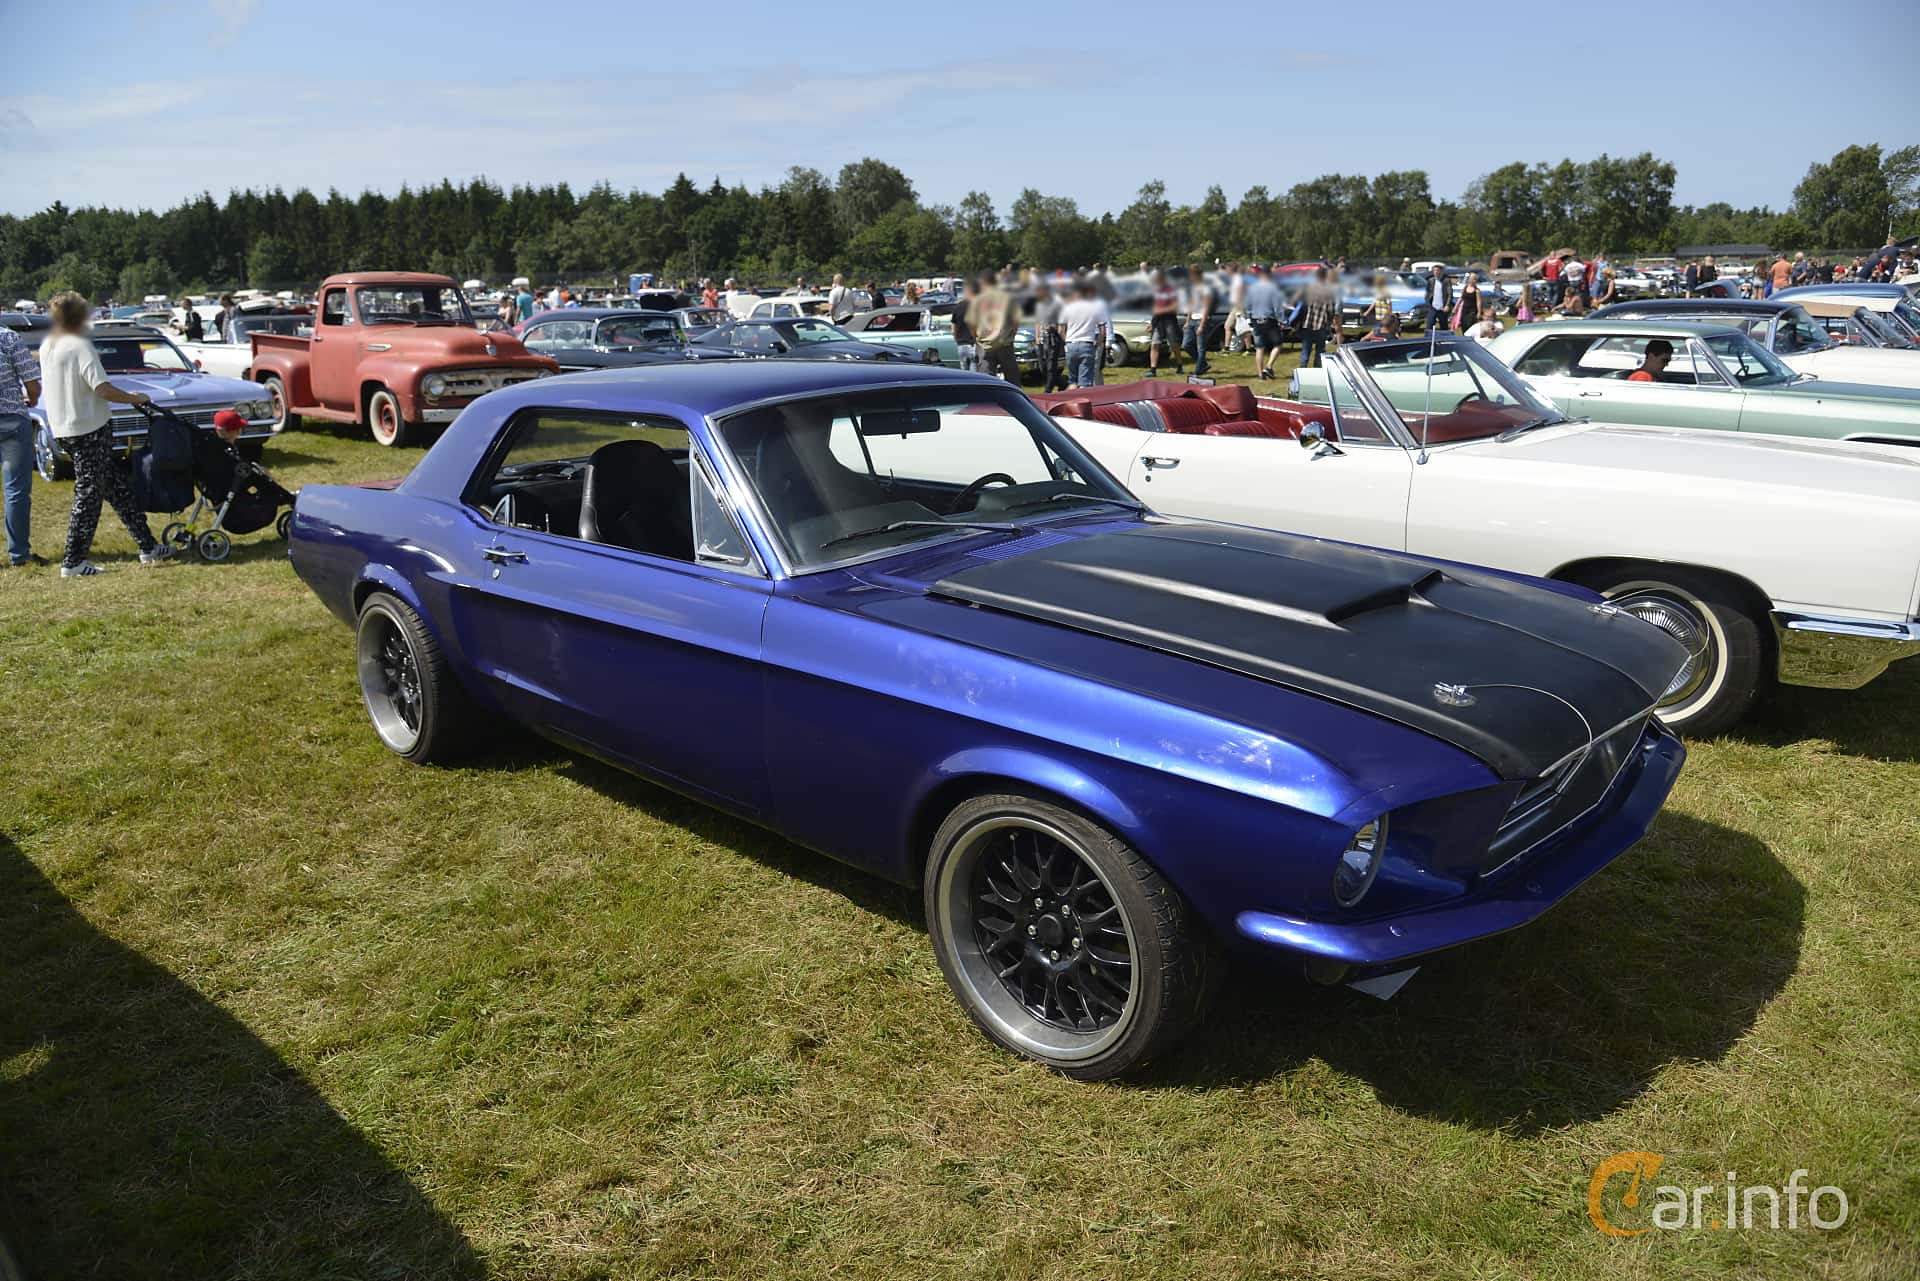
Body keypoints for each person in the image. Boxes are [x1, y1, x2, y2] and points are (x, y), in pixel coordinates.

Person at [39, 292, 170, 578]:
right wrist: (134, 398)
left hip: (63, 428)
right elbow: (103, 389)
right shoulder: (79, 346)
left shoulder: (49, 344)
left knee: (117, 489)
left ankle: (148, 546)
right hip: (88, 429)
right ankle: (73, 561)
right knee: (88, 494)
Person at [0, 318, 43, 566]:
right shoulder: (9, 338)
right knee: (15, 490)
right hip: (11, 418)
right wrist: (31, 399)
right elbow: (32, 384)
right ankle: (19, 555)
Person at [970, 271, 1020, 381]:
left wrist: (976, 339)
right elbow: (1015, 321)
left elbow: (972, 324)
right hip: (1005, 343)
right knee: (1012, 380)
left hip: (985, 345)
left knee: (986, 383)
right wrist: (1012, 335)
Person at [1060, 280, 1109, 389]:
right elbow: (1103, 331)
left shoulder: (1067, 308)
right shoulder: (1095, 308)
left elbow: (1060, 330)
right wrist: (1097, 344)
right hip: (1087, 343)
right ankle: (1084, 400)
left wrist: (1066, 341)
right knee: (1085, 381)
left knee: (1072, 380)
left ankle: (1072, 400)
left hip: (1071, 343)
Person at [1245, 264, 1285, 380]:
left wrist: (1250, 317)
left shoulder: (1252, 288)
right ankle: (1268, 366)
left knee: (1259, 347)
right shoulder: (1273, 288)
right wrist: (1282, 320)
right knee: (1278, 344)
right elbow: (1277, 306)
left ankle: (1259, 374)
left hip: (1256, 319)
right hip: (1269, 319)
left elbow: (1247, 305)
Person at [1032, 280, 1067, 393]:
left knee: (1051, 366)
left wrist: (1055, 330)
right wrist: (1037, 336)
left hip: (1053, 339)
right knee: (1043, 367)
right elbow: (1037, 322)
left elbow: (1061, 322)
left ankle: (1048, 390)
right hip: (1042, 339)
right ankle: (1062, 383)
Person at [1299, 268, 1339, 368]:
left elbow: (1301, 305)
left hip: (1307, 323)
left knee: (1306, 349)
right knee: (1320, 350)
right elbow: (1330, 309)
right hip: (1322, 324)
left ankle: (1303, 369)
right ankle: (1316, 370)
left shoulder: (1309, 288)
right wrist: (1330, 321)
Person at [1147, 270, 1182, 377]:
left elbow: (1175, 307)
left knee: (1174, 344)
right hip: (1158, 321)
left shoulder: (1171, 290)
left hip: (1169, 320)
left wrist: (1163, 310)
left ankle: (1179, 365)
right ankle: (1153, 369)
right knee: (1154, 344)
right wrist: (1152, 323)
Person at [1182, 264, 1212, 377]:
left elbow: (1206, 307)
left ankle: (1198, 371)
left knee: (1201, 348)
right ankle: (1203, 364)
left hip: (1201, 320)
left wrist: (1202, 325)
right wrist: (1187, 320)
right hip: (1192, 320)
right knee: (1186, 345)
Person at [952, 279, 978, 372]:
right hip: (973, 344)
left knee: (964, 372)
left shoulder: (957, 307)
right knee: (975, 373)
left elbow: (953, 329)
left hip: (961, 344)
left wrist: (957, 339)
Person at [1223, 262, 1247, 353]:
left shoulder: (1237, 279)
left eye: (1227, 269)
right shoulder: (1235, 279)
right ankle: (1249, 348)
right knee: (1237, 327)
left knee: (1238, 327)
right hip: (1236, 305)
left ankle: (1226, 348)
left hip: (1238, 305)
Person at [1425, 266, 1453, 334]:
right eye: (1434, 270)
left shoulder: (1446, 280)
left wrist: (1447, 305)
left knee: (1444, 327)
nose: (1436, 272)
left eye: (1437, 270)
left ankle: (1445, 340)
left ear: (1441, 271)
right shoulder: (1431, 280)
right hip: (1433, 307)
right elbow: (1428, 292)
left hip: (1442, 307)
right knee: (1429, 326)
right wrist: (1428, 301)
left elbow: (1450, 294)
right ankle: (1428, 340)